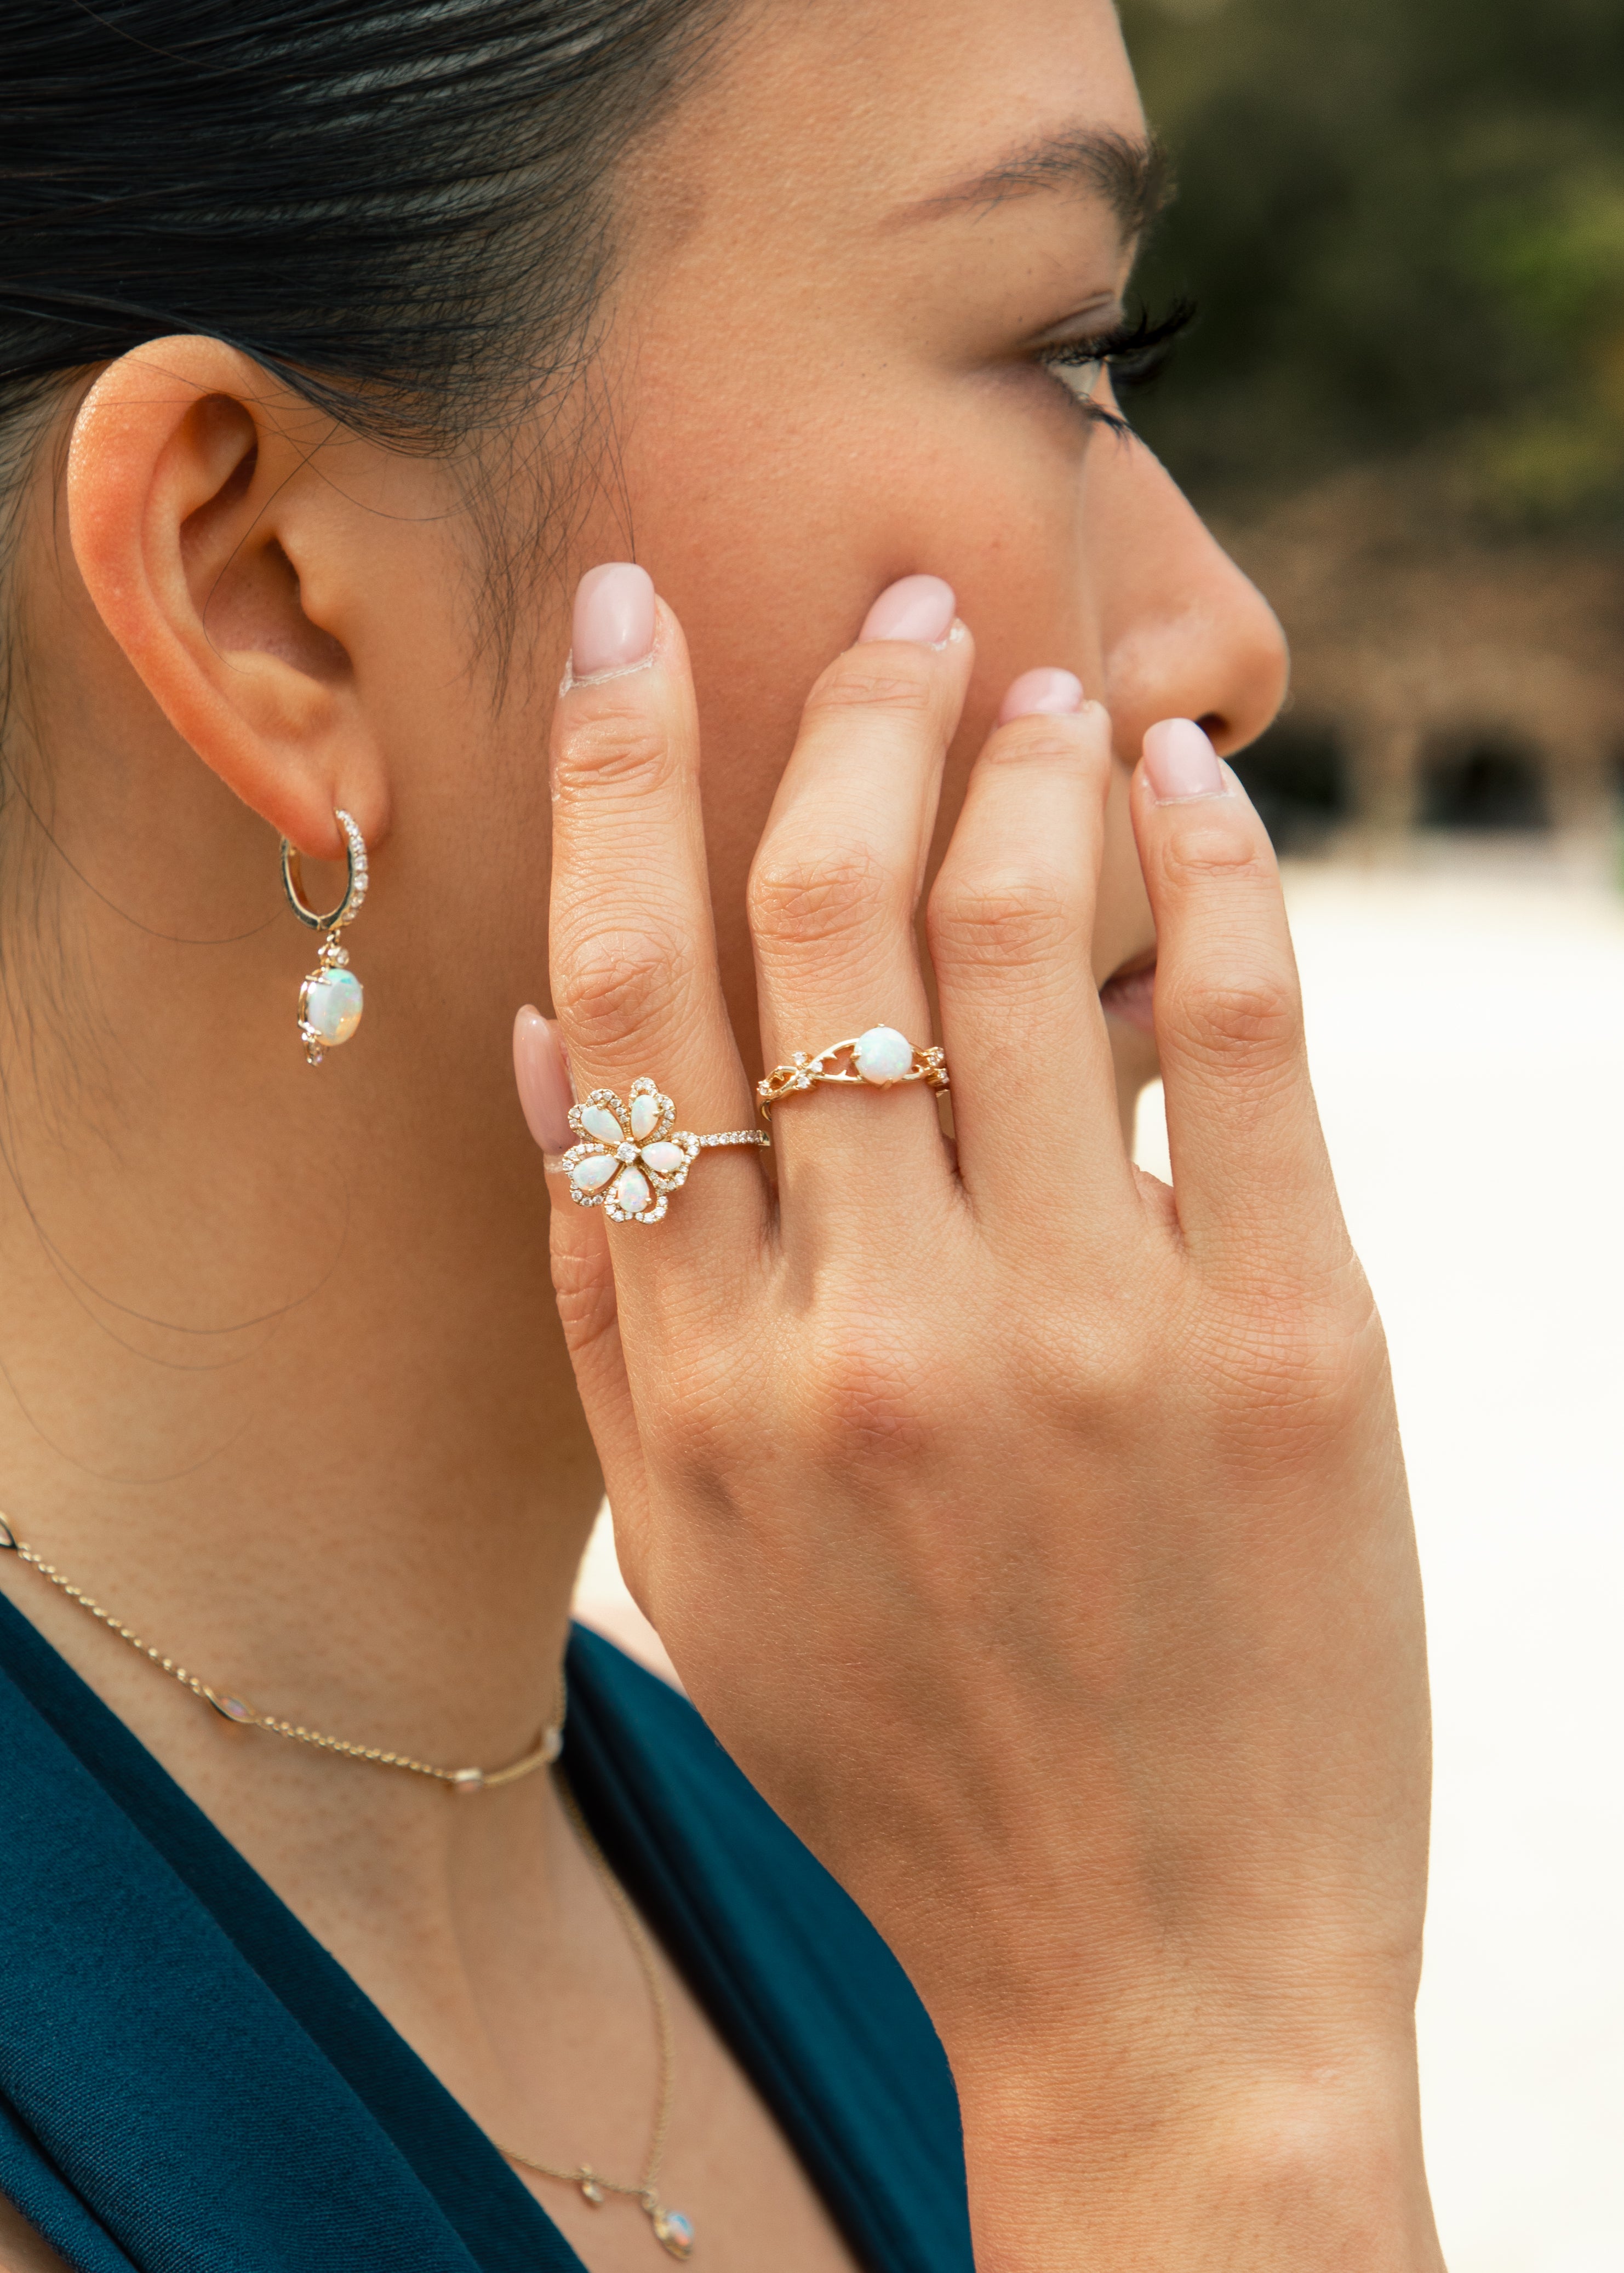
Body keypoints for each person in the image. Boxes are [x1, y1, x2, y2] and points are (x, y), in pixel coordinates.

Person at [0, 0, 1443, 2266]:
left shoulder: (883, 1877)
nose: (1224, 640)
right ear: (264, 588)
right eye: (1070, 347)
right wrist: (1209, 2090)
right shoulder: (1053, 1966)